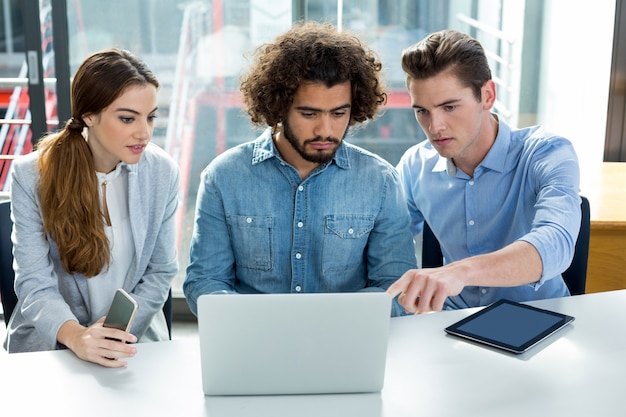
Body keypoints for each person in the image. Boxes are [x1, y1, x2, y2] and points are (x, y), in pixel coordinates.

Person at [183, 21, 417, 317]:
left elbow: (397, 286)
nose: (325, 129)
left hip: (345, 341)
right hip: (254, 341)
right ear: (279, 107)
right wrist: (242, 319)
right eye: (309, 114)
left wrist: (329, 319)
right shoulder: (224, 177)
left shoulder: (380, 181)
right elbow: (205, 281)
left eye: (338, 113)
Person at [4, 48, 180, 367]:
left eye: (150, 116)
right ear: (89, 115)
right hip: (54, 345)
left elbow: (161, 270)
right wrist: (78, 337)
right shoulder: (32, 175)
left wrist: (114, 338)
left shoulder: (161, 171)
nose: (144, 132)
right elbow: (33, 282)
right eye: (127, 118)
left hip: (133, 344)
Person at [388, 30, 581, 313]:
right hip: (451, 323)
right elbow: (387, 242)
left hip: (538, 318)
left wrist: (461, 272)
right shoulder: (414, 165)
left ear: (487, 95)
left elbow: (556, 243)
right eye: (422, 111)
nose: (435, 127)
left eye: (449, 107)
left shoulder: (547, 153)